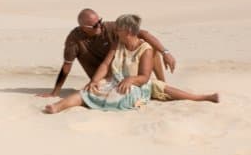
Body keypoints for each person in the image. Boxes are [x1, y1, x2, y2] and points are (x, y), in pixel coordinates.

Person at [43, 14, 218, 114]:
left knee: (148, 92)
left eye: (118, 29)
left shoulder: (145, 49)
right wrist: (94, 80)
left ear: (127, 32)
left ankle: (203, 97)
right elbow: (105, 65)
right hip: (114, 79)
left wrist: (132, 79)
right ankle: (58, 106)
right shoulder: (116, 43)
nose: (110, 30)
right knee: (87, 90)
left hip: (138, 83)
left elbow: (144, 77)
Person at [38, 8, 177, 98]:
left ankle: (163, 85)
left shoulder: (109, 27)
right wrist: (55, 92)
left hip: (121, 69)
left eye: (100, 21)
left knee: (153, 51)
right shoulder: (74, 40)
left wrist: (165, 52)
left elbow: (142, 33)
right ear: (82, 27)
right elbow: (67, 66)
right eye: (94, 25)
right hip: (101, 75)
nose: (99, 26)